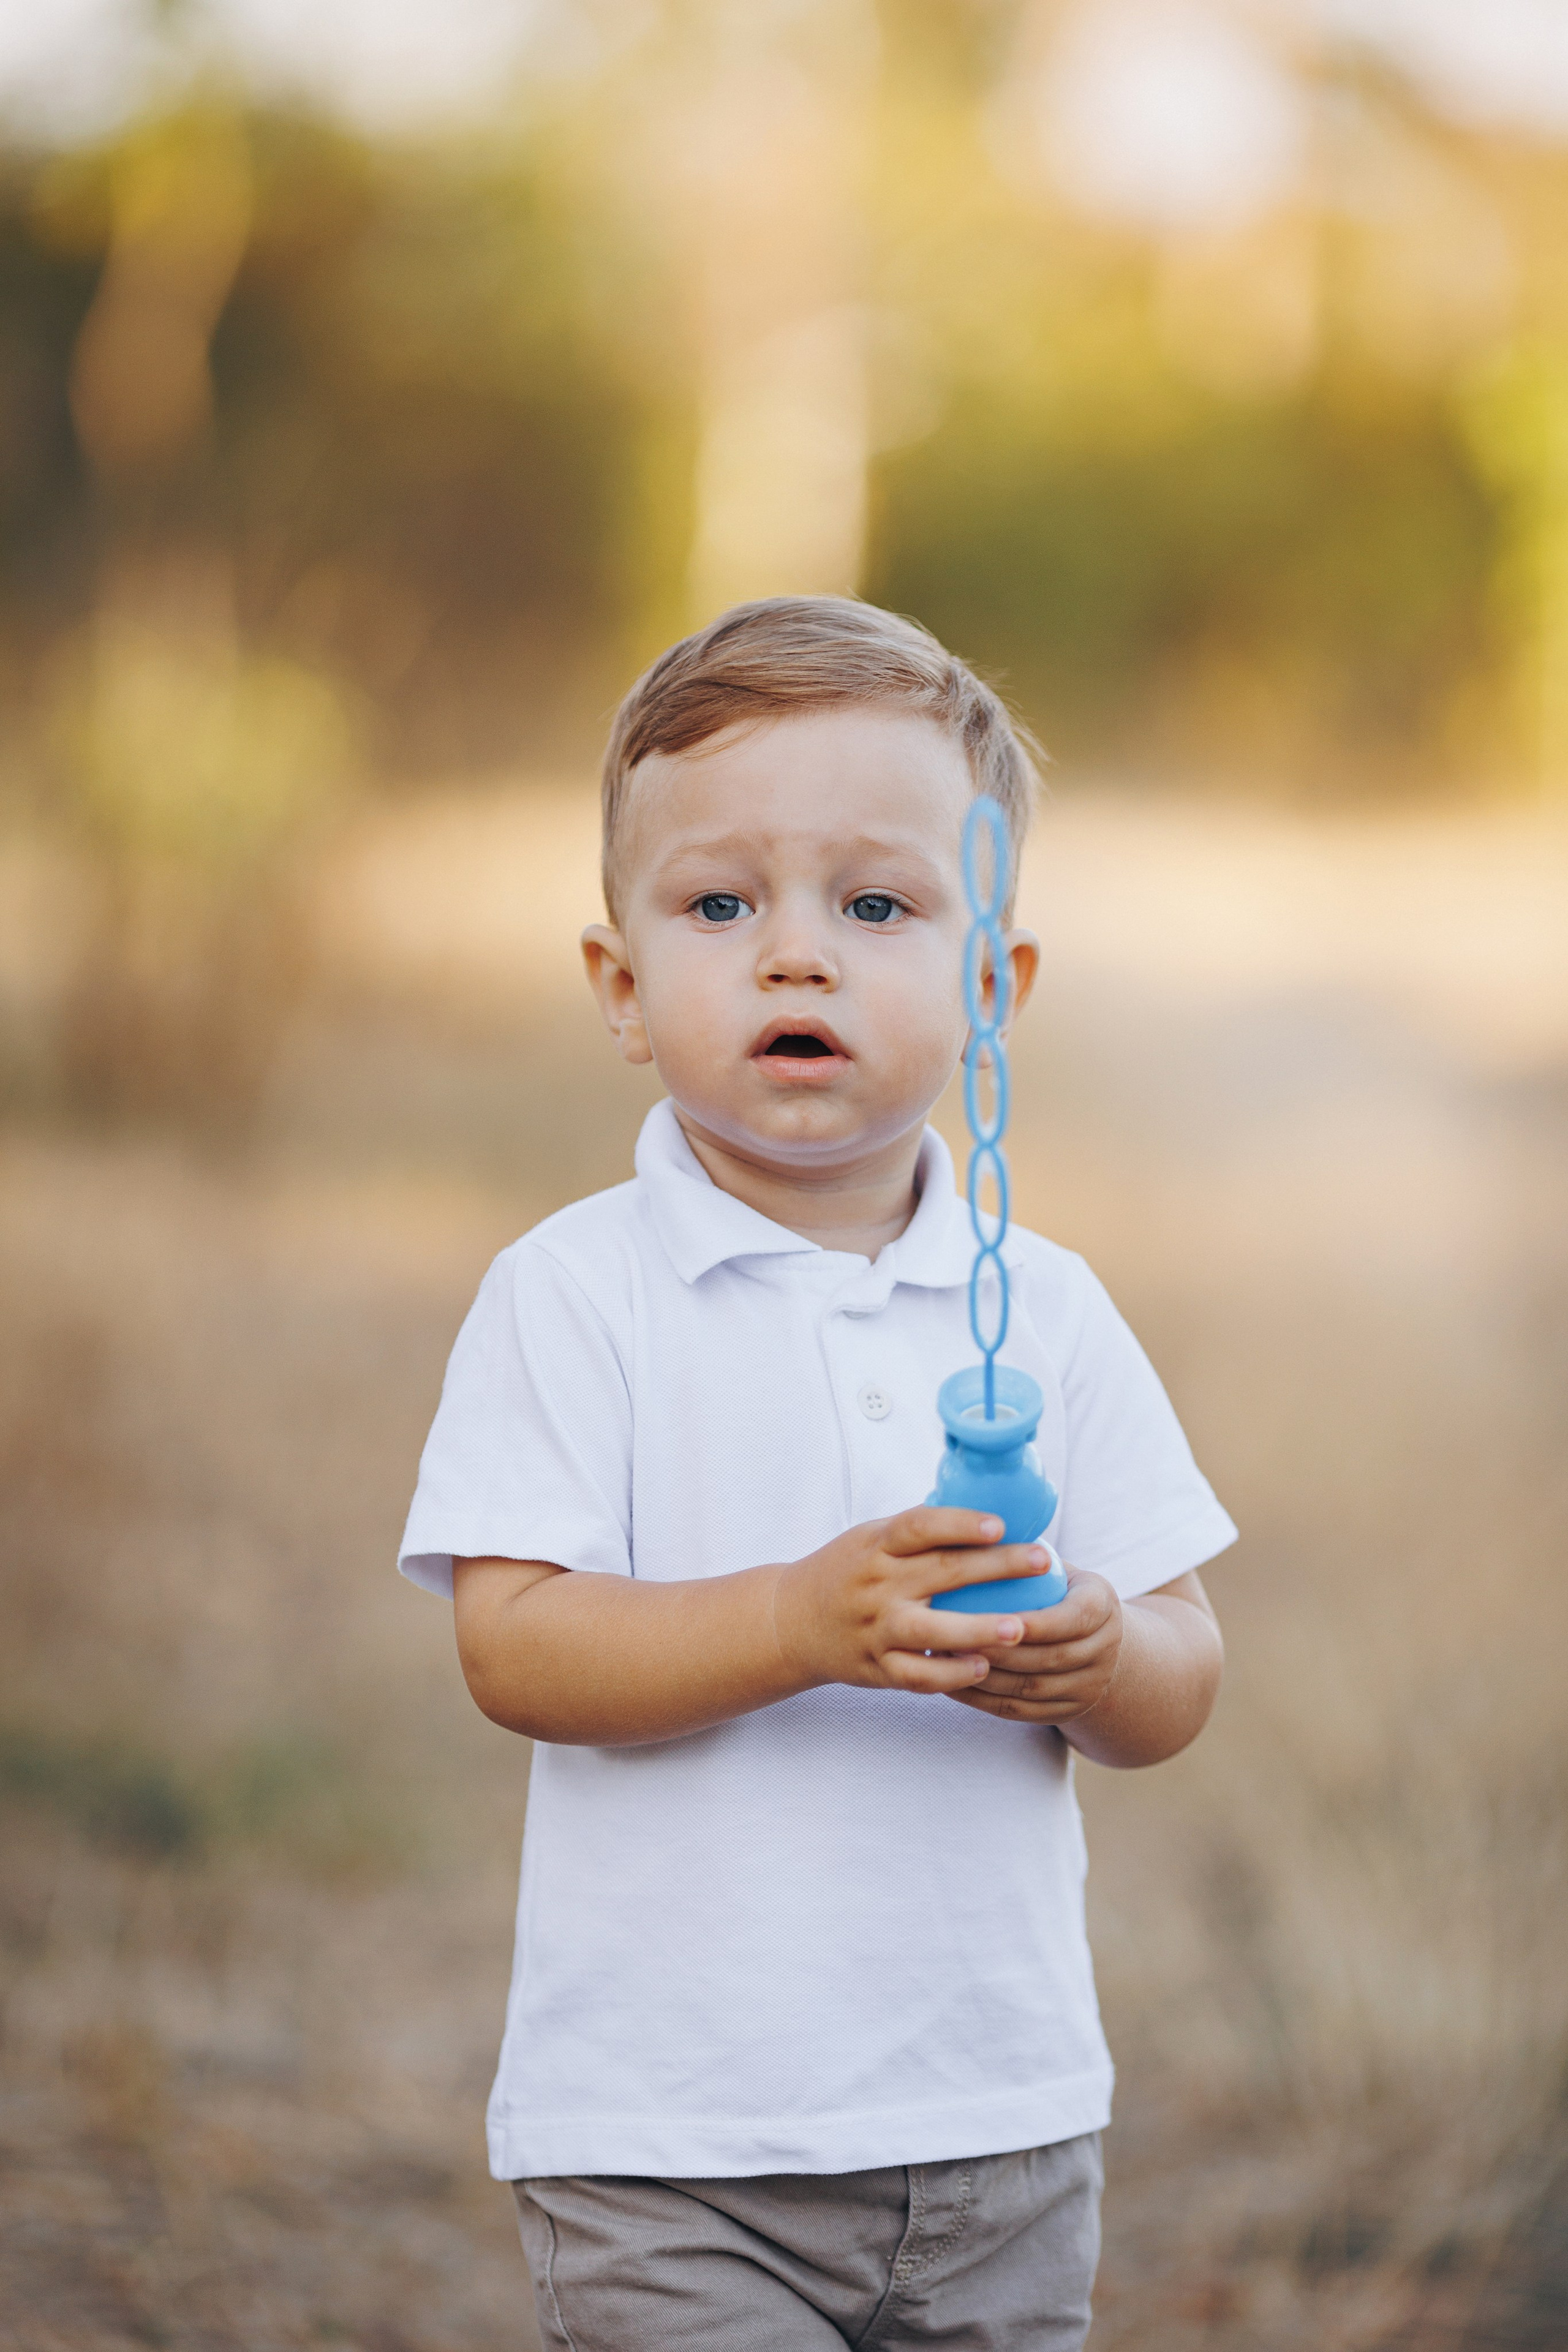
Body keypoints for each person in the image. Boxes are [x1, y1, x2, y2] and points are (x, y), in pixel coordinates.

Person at [399, 597, 1236, 2351]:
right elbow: (515, 1649)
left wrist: (1098, 1653)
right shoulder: (574, 1295)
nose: (798, 956)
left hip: (999, 2128)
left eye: (876, 905)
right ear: (622, 987)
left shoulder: (1050, 1316)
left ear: (993, 984)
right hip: (673, 2149)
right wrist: (797, 1617)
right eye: (722, 905)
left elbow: (1180, 1670)